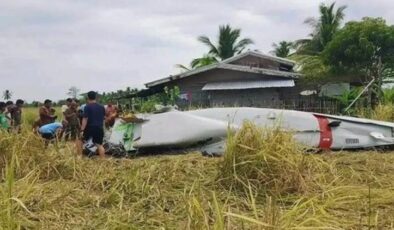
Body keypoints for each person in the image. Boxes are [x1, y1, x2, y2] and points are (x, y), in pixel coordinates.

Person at [78, 91, 106, 158]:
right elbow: (103, 118)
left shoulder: (87, 107)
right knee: (99, 145)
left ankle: (79, 157)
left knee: (80, 140)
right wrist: (103, 128)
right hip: (99, 128)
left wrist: (82, 130)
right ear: (95, 97)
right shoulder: (102, 107)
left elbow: (85, 119)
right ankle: (104, 162)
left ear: (88, 97)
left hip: (90, 127)